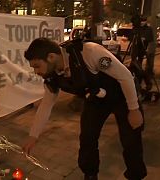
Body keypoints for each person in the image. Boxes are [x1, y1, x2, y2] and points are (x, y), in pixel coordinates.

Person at [22, 37, 147, 180]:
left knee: (131, 140)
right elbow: (46, 105)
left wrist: (134, 109)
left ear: (51, 57)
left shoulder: (89, 52)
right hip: (95, 99)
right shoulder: (52, 75)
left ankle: (135, 175)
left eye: (37, 66)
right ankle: (90, 174)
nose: (36, 71)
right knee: (87, 138)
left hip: (122, 95)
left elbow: (125, 77)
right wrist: (33, 136)